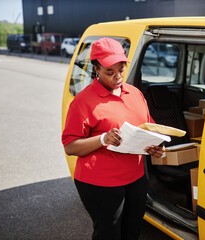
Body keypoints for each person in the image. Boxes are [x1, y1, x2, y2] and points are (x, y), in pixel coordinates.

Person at [62, 37, 165, 240]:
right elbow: (70, 146)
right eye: (110, 72)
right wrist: (102, 139)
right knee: (108, 234)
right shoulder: (83, 101)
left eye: (121, 69)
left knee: (132, 230)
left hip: (135, 178)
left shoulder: (135, 94)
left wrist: (157, 146)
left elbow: (149, 127)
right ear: (96, 69)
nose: (117, 76)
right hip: (100, 184)